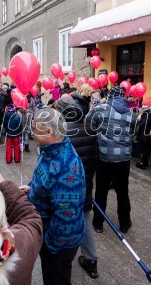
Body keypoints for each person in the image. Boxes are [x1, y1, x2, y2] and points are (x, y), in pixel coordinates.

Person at [20, 107, 85, 285]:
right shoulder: (50, 149)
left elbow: (65, 218)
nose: (32, 133)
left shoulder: (64, 167)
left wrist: (48, 245)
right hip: (49, 233)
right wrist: (31, 187)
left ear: (49, 132)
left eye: (35, 129)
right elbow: (45, 178)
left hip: (58, 244)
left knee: (56, 279)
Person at [54, 96, 100, 279]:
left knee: (62, 221)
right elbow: (96, 157)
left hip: (65, 189)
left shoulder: (61, 133)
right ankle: (91, 259)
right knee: (85, 220)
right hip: (85, 184)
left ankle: (64, 255)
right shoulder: (90, 128)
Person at [86, 86, 137, 234]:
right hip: (124, 159)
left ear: (110, 96)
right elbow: (134, 134)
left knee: (101, 190)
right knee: (122, 191)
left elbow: (88, 122)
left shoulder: (101, 109)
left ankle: (98, 223)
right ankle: (125, 223)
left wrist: (100, 133)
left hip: (104, 157)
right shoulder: (132, 114)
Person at [135, 97, 151, 170]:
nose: (142, 106)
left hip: (144, 134)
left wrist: (137, 131)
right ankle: (145, 162)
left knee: (143, 150)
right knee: (147, 149)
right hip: (149, 134)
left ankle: (142, 163)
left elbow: (142, 124)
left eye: (143, 104)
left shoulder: (145, 113)